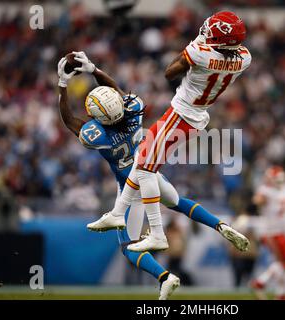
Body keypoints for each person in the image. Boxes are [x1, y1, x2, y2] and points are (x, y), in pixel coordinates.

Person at [56, 53, 248, 299]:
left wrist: (62, 84)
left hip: (129, 186)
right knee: (177, 202)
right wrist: (94, 70)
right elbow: (117, 93)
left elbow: (69, 120)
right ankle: (220, 225)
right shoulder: (134, 112)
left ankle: (164, 277)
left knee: (128, 247)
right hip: (150, 172)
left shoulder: (97, 136)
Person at [88, 11, 252, 252]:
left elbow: (169, 72)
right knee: (143, 159)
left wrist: (193, 46)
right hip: (196, 115)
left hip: (182, 114)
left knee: (145, 169)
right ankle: (117, 212)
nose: (206, 34)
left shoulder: (201, 53)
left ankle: (156, 233)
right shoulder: (244, 58)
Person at [250, 166, 285, 300]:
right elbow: (258, 200)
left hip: (277, 231)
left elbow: (257, 200)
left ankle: (281, 294)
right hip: (272, 232)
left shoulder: (268, 190)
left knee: (281, 263)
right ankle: (260, 283)